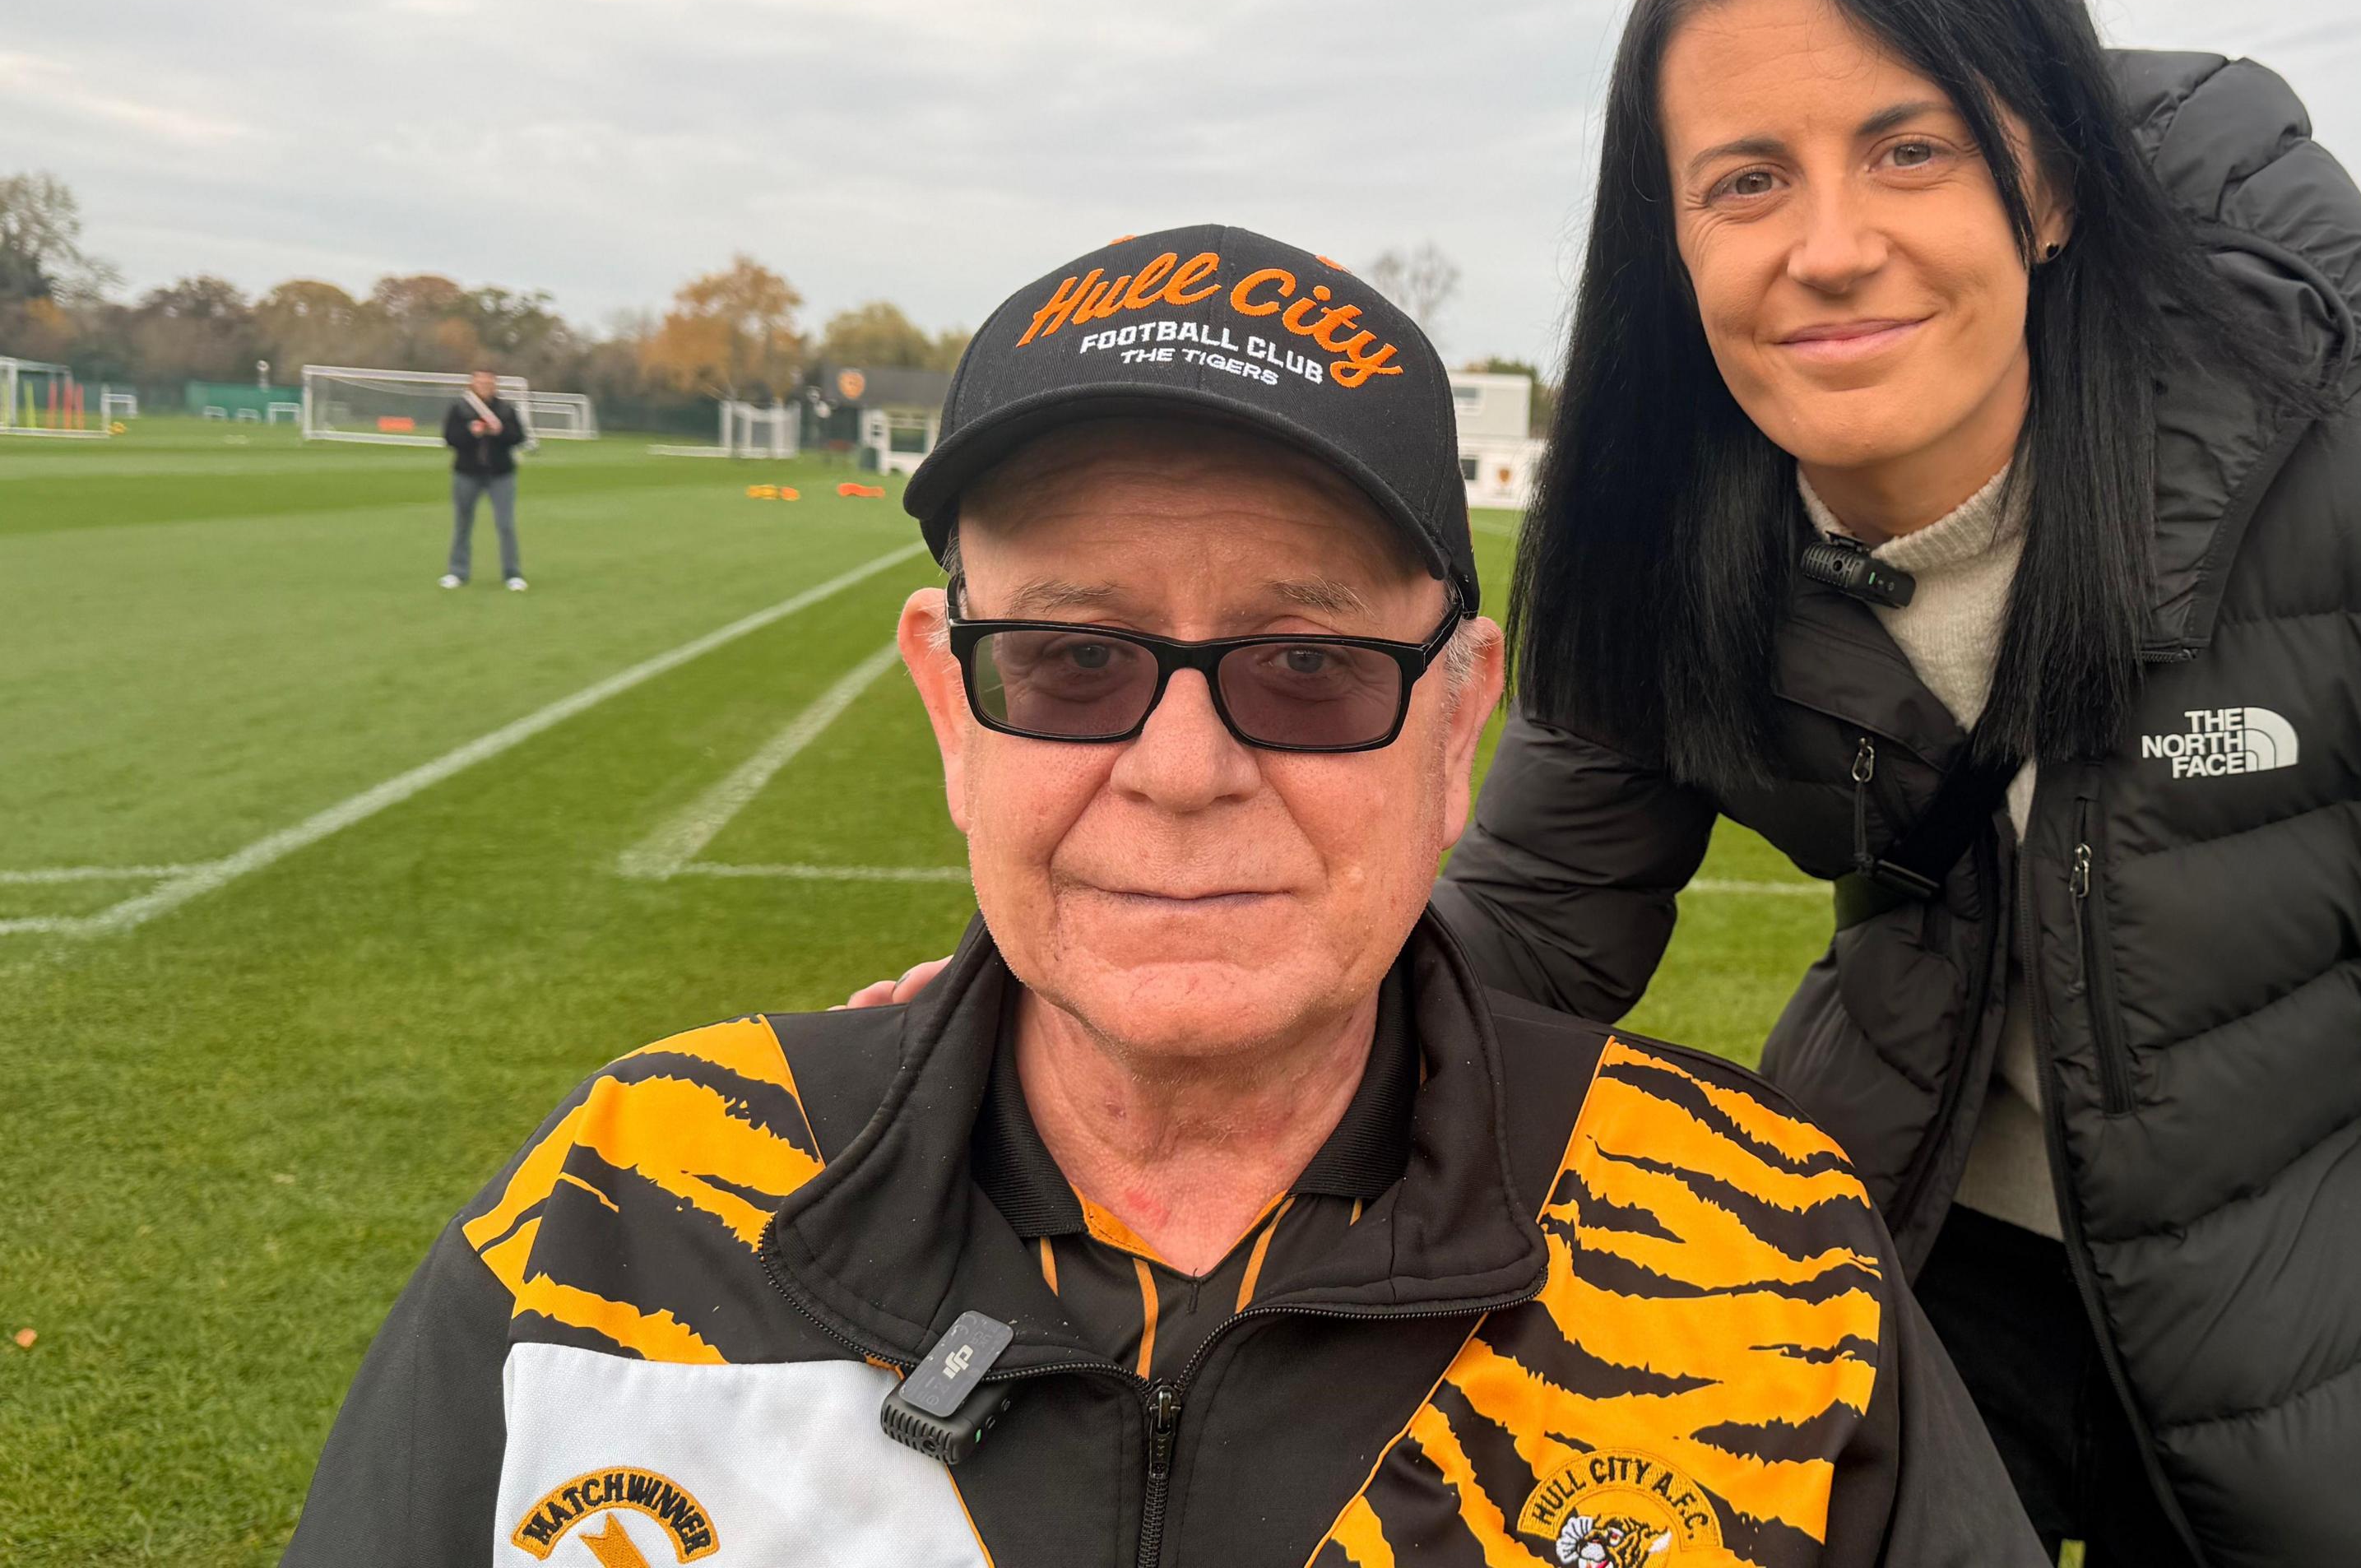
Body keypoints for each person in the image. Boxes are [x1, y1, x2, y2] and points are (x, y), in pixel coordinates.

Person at [860, 0, 2361, 1566]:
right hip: (1898, 1273)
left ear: (2041, 177)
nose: (1826, 241)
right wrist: (1046, 1026)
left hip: (2318, 1330)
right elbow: (1521, 928)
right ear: (1671, 235)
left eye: (1906, 147)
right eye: (1744, 179)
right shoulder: (1656, 536)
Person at [287, 225, 2039, 1566]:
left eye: (1304, 663)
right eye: (1065, 660)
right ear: (946, 705)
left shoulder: (1767, 1253)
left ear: (1454, 727)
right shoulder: (617, 1218)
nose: (1185, 769)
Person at [440, 368, 527, 591]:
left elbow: (518, 436)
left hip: (501, 475)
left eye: (489, 383)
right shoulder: (460, 408)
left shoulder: (505, 409)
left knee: (506, 524)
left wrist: (498, 431)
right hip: (467, 474)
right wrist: (473, 432)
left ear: (495, 385)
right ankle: (457, 572)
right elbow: (450, 438)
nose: (484, 387)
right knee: (463, 523)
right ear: (472, 384)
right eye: (480, 382)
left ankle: (512, 573)